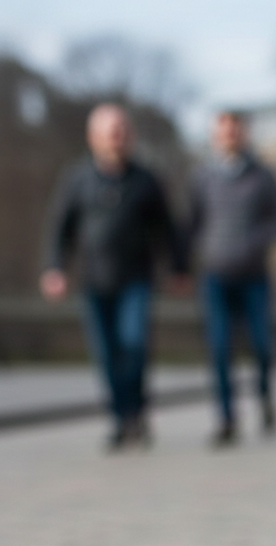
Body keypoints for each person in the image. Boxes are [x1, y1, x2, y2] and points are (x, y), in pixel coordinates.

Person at [40, 103, 187, 449]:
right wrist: (53, 268)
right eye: (110, 131)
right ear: (94, 138)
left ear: (130, 136)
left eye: (122, 130)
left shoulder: (146, 180)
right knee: (107, 354)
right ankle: (122, 419)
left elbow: (167, 228)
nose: (116, 137)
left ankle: (137, 411)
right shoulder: (76, 179)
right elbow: (59, 227)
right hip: (93, 282)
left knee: (133, 345)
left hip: (136, 280)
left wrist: (178, 267)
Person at [189, 110, 276, 445]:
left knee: (261, 344)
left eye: (235, 129)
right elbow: (192, 221)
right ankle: (226, 418)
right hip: (215, 276)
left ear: (243, 134)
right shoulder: (202, 176)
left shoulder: (263, 176)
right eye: (224, 130)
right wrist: (195, 253)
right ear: (215, 135)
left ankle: (264, 396)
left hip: (254, 276)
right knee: (219, 347)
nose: (230, 135)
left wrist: (256, 241)